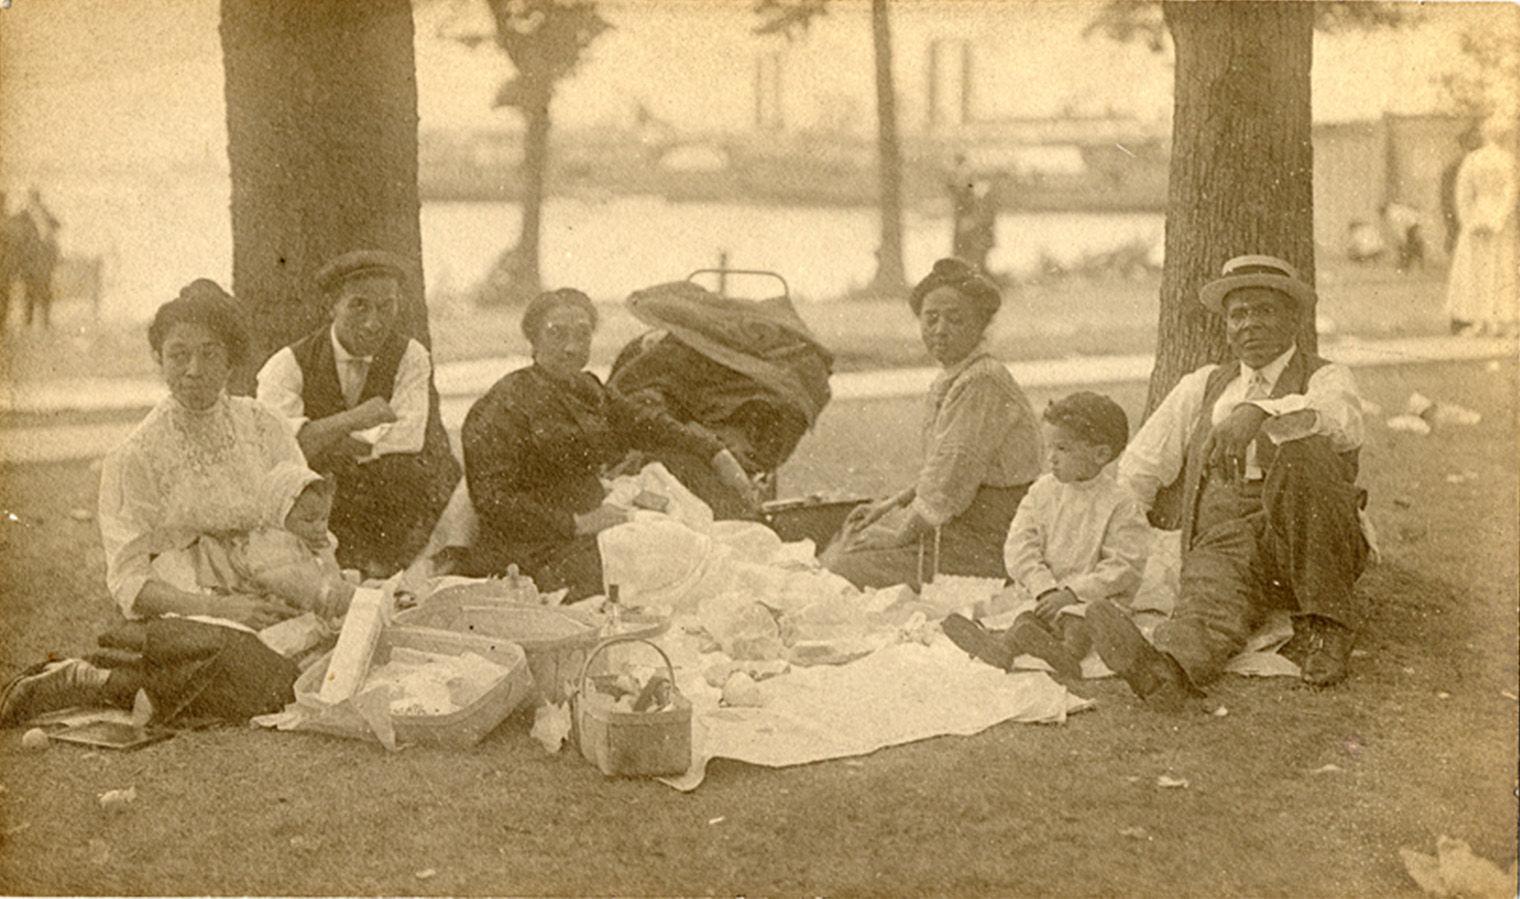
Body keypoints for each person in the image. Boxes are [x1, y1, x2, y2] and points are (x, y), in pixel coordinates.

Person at [1, 282, 304, 728]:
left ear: (232, 359)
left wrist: (294, 585)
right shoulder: (136, 456)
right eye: (178, 354)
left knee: (326, 655)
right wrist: (222, 609)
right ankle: (93, 679)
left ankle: (133, 682)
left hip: (269, 587)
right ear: (159, 359)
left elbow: (301, 516)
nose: (194, 370)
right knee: (266, 674)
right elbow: (130, 583)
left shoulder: (266, 426)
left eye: (210, 354)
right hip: (186, 612)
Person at [1088, 254, 1368, 705]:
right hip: (1228, 539)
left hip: (1307, 542)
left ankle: (1329, 633)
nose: (1249, 324)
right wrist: (1114, 544)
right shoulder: (1204, 385)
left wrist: (1258, 411)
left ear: (1294, 319)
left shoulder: (1325, 377)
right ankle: (1167, 671)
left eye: (1264, 311)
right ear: (1225, 327)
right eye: (1238, 314)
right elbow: (1139, 470)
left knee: (1303, 449)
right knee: (1207, 602)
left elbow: (1340, 422)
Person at [461, 287, 759, 600]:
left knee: (706, 535)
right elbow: (492, 499)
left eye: (582, 334)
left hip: (592, 527)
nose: (571, 347)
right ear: (533, 338)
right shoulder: (504, 403)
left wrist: (716, 453)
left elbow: (647, 424)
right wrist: (576, 523)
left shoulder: (587, 388)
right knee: (675, 549)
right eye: (556, 334)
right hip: (534, 550)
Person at [820, 258, 1042, 589]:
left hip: (994, 537)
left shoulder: (982, 381)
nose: (940, 330)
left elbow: (952, 476)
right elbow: (944, 466)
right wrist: (892, 504)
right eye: (931, 318)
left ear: (981, 325)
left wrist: (900, 535)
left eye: (956, 319)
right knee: (852, 537)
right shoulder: (954, 377)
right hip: (961, 522)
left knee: (847, 565)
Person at [257, 249, 461, 577]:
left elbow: (406, 440)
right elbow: (283, 447)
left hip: (387, 497)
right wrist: (355, 419)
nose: (373, 322)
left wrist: (319, 435)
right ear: (331, 306)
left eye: (386, 306)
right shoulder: (285, 365)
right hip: (319, 501)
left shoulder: (411, 356)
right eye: (359, 306)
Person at [941, 391, 1149, 680]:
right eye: (1050, 447)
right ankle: (1003, 648)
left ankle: (1065, 655)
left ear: (1100, 454)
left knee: (1080, 624)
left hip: (1089, 599)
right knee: (1025, 619)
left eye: (1062, 449)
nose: (1051, 458)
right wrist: (1045, 589)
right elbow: (1020, 545)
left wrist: (1072, 594)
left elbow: (1124, 565)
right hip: (1044, 594)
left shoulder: (1121, 503)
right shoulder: (1042, 492)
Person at [607, 278, 834, 513]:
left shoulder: (773, 375)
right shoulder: (653, 358)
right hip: (675, 425)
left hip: (710, 424)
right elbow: (636, 404)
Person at [151, 463, 355, 621]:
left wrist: (332, 576)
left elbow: (322, 568)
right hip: (273, 601)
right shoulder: (271, 542)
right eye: (309, 520)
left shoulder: (306, 537)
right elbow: (289, 582)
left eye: (324, 518)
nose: (320, 527)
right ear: (279, 515)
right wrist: (326, 594)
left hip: (302, 597)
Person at [1444, 116, 1518, 336]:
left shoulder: (1472, 160)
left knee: (1477, 270)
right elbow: (1511, 193)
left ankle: (1481, 320)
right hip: (1500, 220)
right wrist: (1498, 219)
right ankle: (1498, 320)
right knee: (1501, 268)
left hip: (1477, 214)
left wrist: (1469, 221)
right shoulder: (1508, 160)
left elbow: (1462, 194)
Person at [17, 188, 59, 329]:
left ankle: (43, 320)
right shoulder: (24, 215)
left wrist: (49, 228)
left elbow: (56, 225)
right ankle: (29, 321)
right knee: (31, 289)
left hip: (41, 259)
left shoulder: (43, 213)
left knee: (43, 290)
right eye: (32, 199)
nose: (33, 201)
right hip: (30, 258)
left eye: (35, 198)